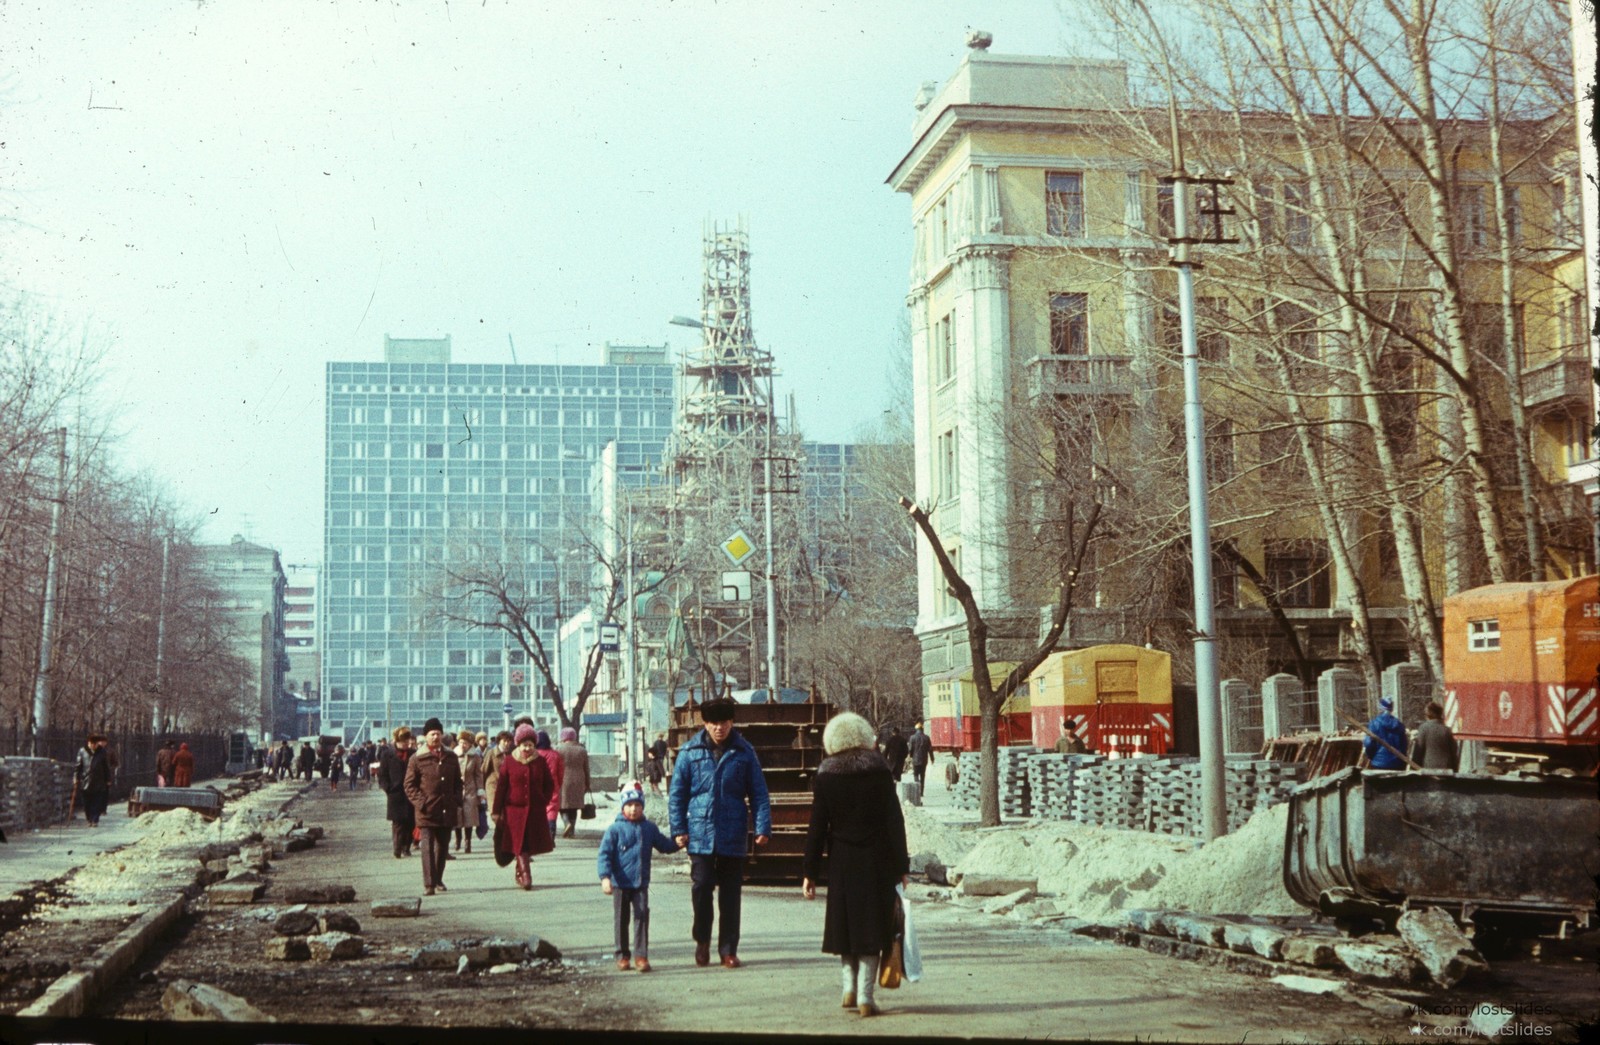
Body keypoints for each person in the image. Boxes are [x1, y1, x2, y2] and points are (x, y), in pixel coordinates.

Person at [801, 711, 909, 1019]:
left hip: (842, 862)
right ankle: (865, 996)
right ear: (865, 739)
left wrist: (809, 872)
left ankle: (848, 989)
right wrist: (902, 865)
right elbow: (894, 823)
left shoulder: (825, 776)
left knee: (845, 926)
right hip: (877, 861)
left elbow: (817, 827)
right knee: (874, 928)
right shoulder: (880, 773)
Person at [668, 695, 771, 969]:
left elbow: (759, 793)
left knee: (731, 893)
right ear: (705, 723)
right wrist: (678, 828)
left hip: (733, 831)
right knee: (701, 887)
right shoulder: (689, 753)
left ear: (732, 722)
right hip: (699, 833)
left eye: (724, 722)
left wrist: (762, 827)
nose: (719, 728)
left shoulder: (744, 752)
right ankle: (702, 940)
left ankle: (728, 949)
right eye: (714, 723)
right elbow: (677, 795)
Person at [598, 786, 679, 972]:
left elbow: (664, 845)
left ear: (642, 807)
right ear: (622, 808)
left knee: (642, 917)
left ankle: (641, 956)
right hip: (620, 883)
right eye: (629, 805)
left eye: (637, 805)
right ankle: (622, 955)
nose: (633, 809)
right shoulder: (615, 830)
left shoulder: (649, 828)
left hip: (640, 883)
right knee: (621, 919)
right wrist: (605, 878)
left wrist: (677, 844)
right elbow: (604, 855)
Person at [403, 717, 462, 896]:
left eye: (438, 733)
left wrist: (456, 799)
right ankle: (429, 884)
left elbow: (458, 782)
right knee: (427, 847)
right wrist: (422, 802)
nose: (435, 737)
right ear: (426, 736)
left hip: (446, 809)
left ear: (442, 734)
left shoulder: (451, 756)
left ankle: (438, 879)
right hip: (427, 811)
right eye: (432, 734)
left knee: (443, 847)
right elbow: (409, 785)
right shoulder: (417, 758)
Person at [492, 723, 555, 890]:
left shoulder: (540, 761)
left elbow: (549, 784)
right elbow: (501, 788)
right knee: (519, 844)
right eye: (524, 745)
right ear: (518, 745)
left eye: (531, 745)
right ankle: (526, 875)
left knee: (526, 843)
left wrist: (543, 799)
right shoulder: (509, 762)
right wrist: (496, 811)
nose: (527, 748)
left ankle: (520, 871)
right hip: (514, 811)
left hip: (534, 811)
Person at [379, 727, 416, 858]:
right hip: (395, 794)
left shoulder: (413, 754)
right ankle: (397, 848)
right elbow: (382, 775)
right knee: (398, 823)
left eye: (408, 740)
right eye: (403, 741)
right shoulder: (387, 754)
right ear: (397, 740)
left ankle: (407, 847)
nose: (406, 743)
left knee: (411, 822)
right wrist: (388, 788)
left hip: (411, 793)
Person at [555, 726, 592, 838]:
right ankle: (572, 831)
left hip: (563, 780)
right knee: (574, 807)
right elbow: (586, 768)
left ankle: (567, 823)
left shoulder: (558, 749)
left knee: (562, 805)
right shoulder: (582, 750)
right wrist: (587, 783)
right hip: (579, 780)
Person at [1360, 697, 1409, 770]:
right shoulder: (1399, 725)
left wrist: (1372, 757)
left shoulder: (1374, 724)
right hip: (1397, 762)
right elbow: (1404, 745)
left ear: (1380, 708)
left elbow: (1369, 744)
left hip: (1379, 762)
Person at [456, 730, 484, 854]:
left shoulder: (475, 757)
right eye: (461, 742)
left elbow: (478, 775)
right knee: (457, 816)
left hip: (470, 789)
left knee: (469, 818)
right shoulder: (453, 755)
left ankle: (468, 842)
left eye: (465, 743)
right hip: (456, 790)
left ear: (470, 744)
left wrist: (480, 791)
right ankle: (458, 840)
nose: (463, 745)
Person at [75, 734, 112, 827]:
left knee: (97, 802)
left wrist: (108, 779)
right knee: (86, 803)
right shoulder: (82, 751)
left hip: (99, 781)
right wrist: (76, 777)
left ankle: (95, 820)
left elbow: (106, 767)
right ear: (89, 743)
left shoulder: (102, 752)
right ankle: (89, 819)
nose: (94, 746)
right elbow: (78, 766)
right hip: (85, 781)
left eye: (95, 744)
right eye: (92, 744)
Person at [535, 730, 565, 844]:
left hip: (537, 785)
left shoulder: (535, 754)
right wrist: (559, 784)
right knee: (551, 809)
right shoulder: (555, 754)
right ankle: (550, 835)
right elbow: (560, 772)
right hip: (553, 784)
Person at [1411, 700, 1458, 770]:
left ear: (1428, 715)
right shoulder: (1447, 730)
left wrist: (1414, 768)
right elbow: (1454, 752)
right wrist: (1454, 769)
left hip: (1429, 770)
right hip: (1446, 769)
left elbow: (1418, 751)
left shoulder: (1423, 728)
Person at [483, 730, 514, 817]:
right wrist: (481, 789)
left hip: (507, 787)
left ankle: (501, 830)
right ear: (499, 741)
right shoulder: (491, 753)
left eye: (509, 741)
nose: (507, 743)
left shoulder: (511, 754)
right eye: (504, 741)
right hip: (493, 786)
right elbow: (484, 770)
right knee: (495, 812)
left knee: (505, 813)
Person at [906, 722, 934, 792]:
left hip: (915, 760)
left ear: (916, 729)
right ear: (922, 729)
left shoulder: (912, 737)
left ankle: (917, 788)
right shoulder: (927, 738)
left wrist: (911, 756)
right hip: (924, 760)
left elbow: (910, 749)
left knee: (915, 775)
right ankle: (921, 791)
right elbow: (930, 750)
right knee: (922, 775)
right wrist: (932, 758)